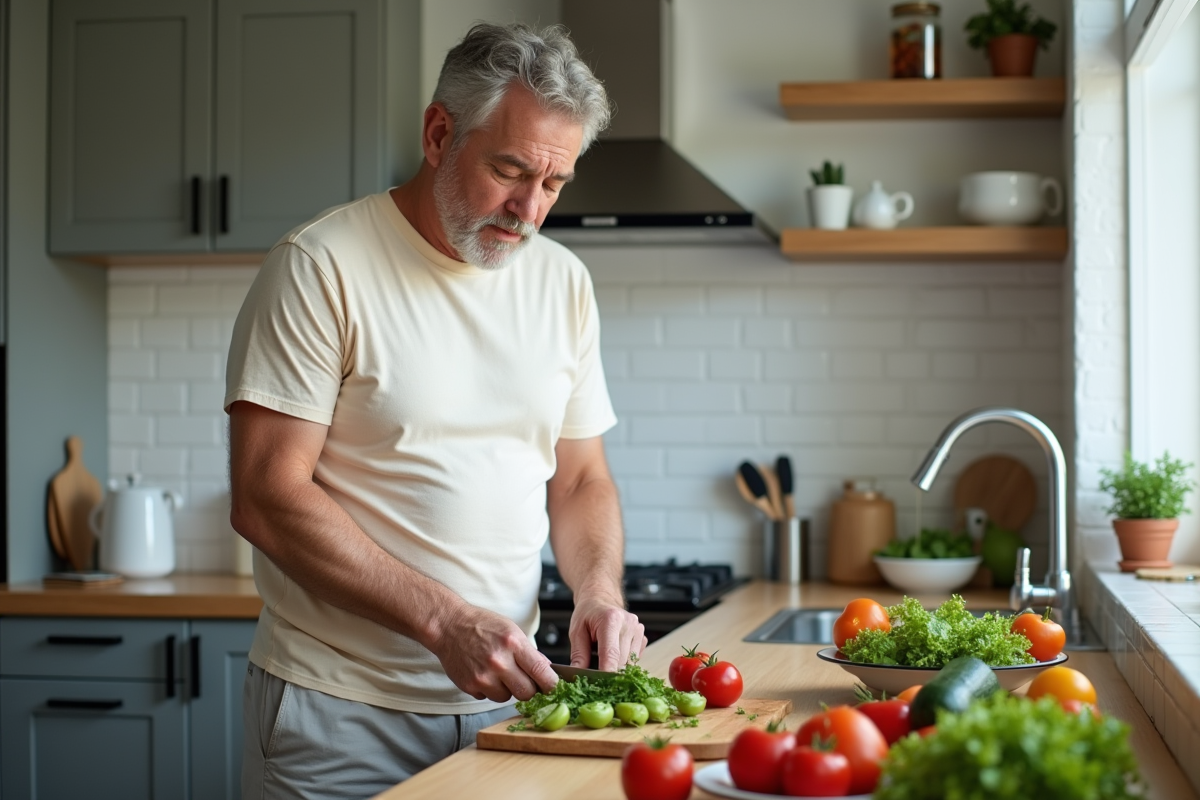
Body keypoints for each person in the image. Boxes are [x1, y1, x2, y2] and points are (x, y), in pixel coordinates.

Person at [224, 22, 644, 799]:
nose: (529, 210)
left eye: (555, 184)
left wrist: (600, 595)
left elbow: (581, 478)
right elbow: (264, 495)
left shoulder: (562, 284)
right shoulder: (321, 266)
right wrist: (445, 622)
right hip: (338, 716)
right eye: (510, 171)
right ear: (438, 132)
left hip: (510, 714)